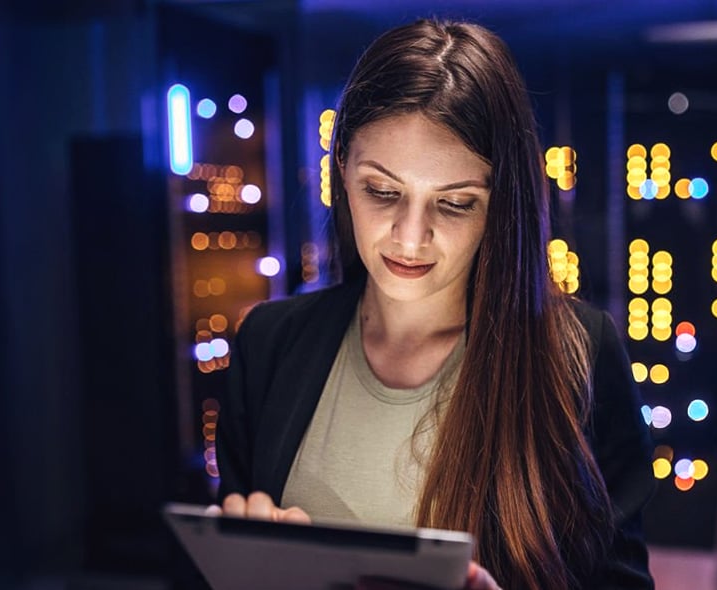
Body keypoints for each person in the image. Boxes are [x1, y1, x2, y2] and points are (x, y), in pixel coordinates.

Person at [214, 18, 656, 590]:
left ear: (501, 205)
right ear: (342, 169)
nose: (410, 236)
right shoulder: (269, 343)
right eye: (383, 191)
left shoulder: (578, 352)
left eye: (453, 203)